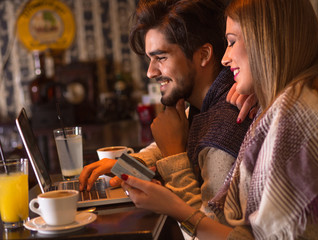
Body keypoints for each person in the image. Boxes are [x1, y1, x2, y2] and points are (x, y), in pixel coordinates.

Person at [119, 0, 318, 239]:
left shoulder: (293, 118)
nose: (225, 58)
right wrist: (124, 165)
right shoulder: (311, 95)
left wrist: (175, 202)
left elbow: (223, 231)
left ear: (265, 42)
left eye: (232, 42)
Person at [79, 0, 253, 223]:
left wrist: (174, 155)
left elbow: (208, 229)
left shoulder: (224, 128)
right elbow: (161, 152)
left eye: (161, 58)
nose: (150, 72)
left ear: (204, 55)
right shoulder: (203, 107)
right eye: (150, 59)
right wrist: (125, 167)